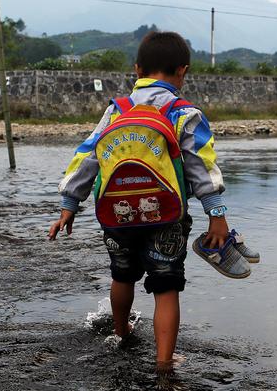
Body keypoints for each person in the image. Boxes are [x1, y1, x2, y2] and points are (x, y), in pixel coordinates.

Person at [47, 31, 255, 370]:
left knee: (122, 276)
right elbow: (201, 165)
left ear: (137, 68)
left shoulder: (117, 110)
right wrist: (216, 214)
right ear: (183, 71)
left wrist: (69, 206)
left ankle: (121, 332)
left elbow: (87, 157)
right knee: (166, 286)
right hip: (167, 218)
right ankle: (164, 362)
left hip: (117, 215)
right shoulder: (184, 113)